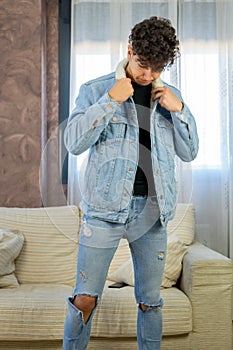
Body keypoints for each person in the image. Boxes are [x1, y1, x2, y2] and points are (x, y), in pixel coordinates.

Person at [63, 16, 199, 350]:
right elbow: (72, 143)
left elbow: (190, 151)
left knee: (150, 302)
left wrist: (178, 109)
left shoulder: (170, 96)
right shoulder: (95, 89)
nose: (147, 75)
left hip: (153, 214)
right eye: (142, 65)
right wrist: (110, 100)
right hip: (104, 211)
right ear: (129, 51)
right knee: (84, 299)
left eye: (156, 68)